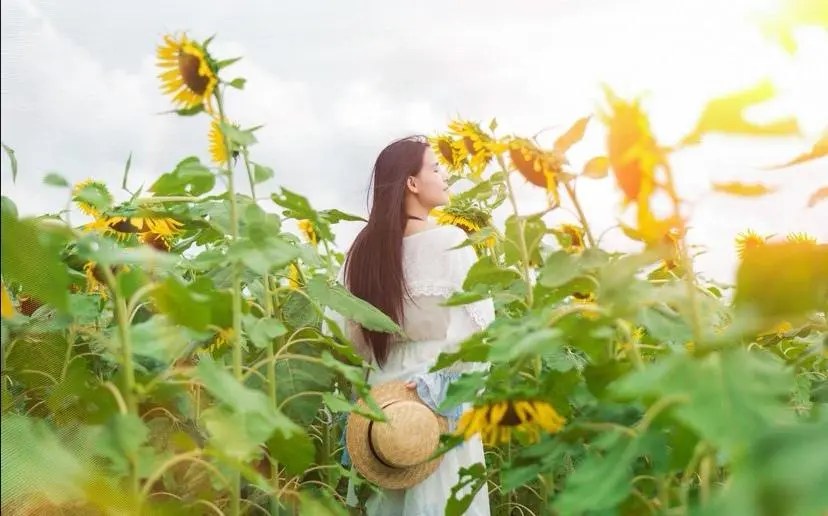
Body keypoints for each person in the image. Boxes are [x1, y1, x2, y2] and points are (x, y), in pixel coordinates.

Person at [324, 135, 494, 515]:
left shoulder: (362, 252)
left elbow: (338, 334)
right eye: (435, 167)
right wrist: (440, 383)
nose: (444, 174)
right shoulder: (451, 241)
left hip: (382, 407)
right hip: (435, 400)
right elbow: (479, 333)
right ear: (412, 183)